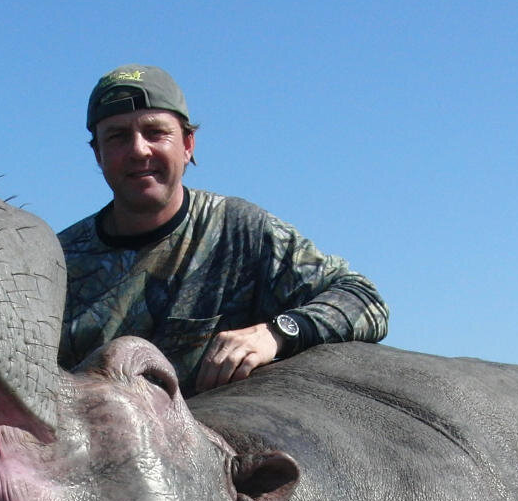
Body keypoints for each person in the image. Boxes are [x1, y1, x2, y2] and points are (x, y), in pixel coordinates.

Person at [58, 65, 389, 392]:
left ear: (188, 145)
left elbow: (364, 299)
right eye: (117, 137)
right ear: (97, 154)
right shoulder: (58, 262)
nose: (139, 150)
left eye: (155, 132)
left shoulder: (240, 231)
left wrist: (276, 334)